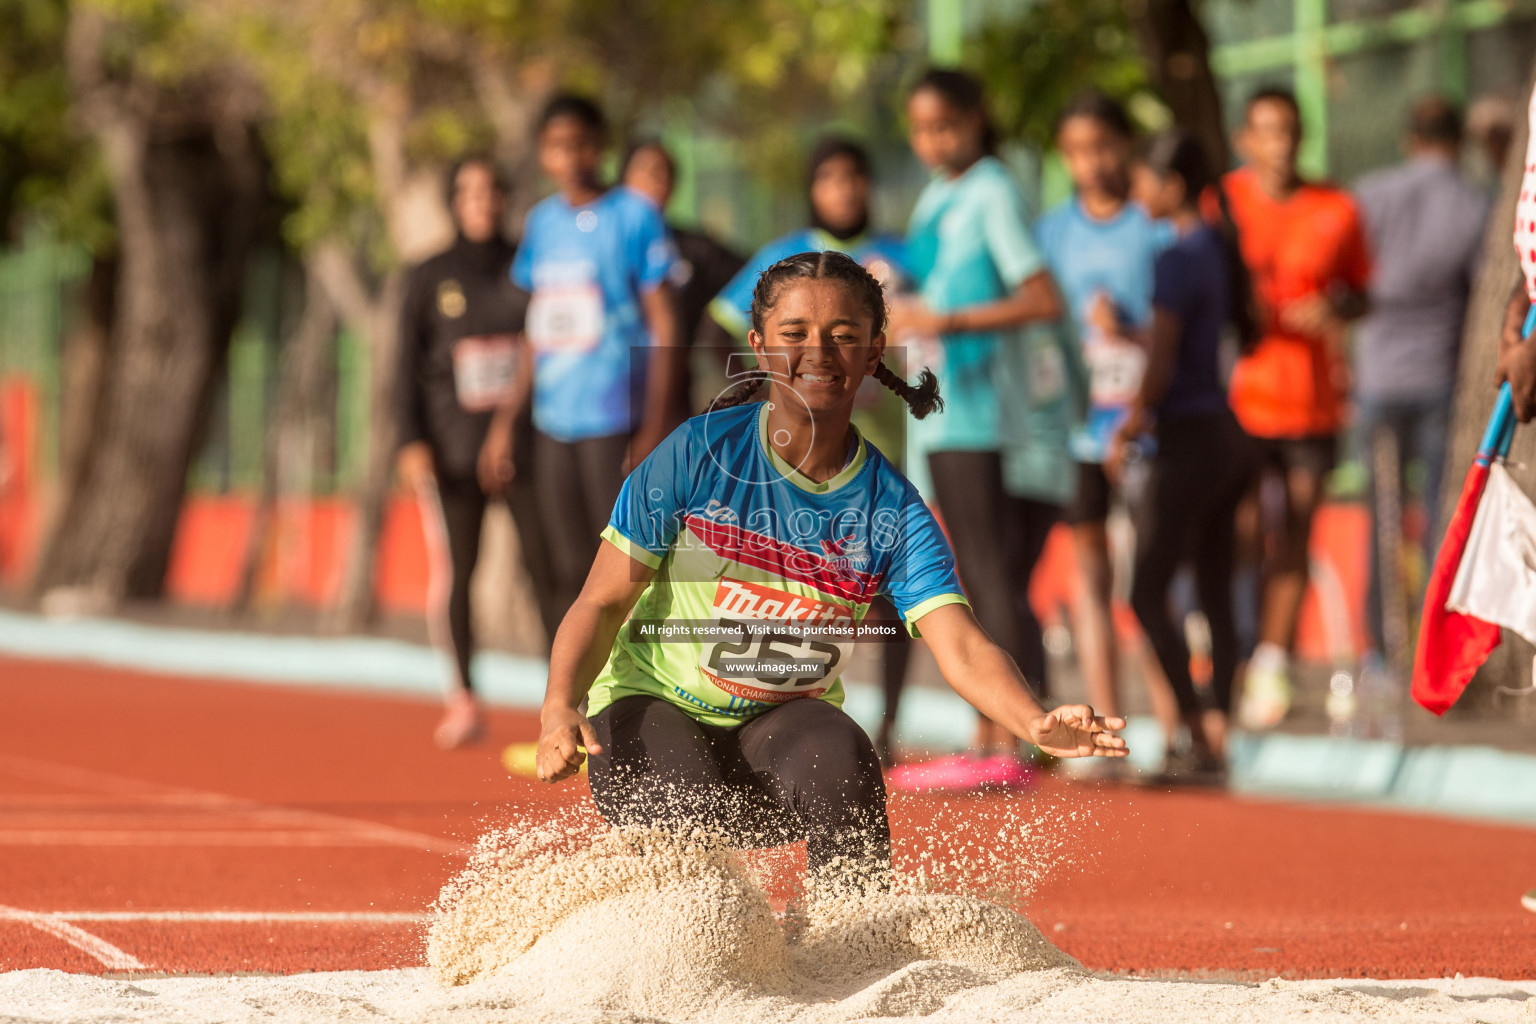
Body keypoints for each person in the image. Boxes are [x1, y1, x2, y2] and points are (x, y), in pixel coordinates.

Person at [533, 251, 1127, 885]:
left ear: (873, 355)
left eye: (844, 337)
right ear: (759, 348)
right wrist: (557, 707)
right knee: (691, 833)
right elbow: (600, 602)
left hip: (777, 740)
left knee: (843, 750)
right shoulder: (696, 454)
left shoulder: (892, 507)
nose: (818, 352)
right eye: (795, 335)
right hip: (649, 717)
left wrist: (1033, 720)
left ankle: (850, 943)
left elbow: (962, 645)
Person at [885, 68, 1073, 791]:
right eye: (921, 129)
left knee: (990, 575)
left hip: (982, 411)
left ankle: (1020, 736)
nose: (933, 142)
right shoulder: (938, 197)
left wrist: (947, 320)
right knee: (981, 572)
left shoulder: (993, 189)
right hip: (939, 411)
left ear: (974, 120)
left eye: (946, 127)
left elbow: (1041, 298)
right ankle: (1000, 733)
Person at [706, 135, 915, 764]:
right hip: (797, 457)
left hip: (883, 448)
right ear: (812, 188)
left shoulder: (902, 256)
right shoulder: (783, 255)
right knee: (798, 582)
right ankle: (778, 710)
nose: (844, 190)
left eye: (855, 177)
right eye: (830, 178)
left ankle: (888, 723)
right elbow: (724, 320)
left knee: (889, 593)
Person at [1034, 91, 1181, 755]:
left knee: (1148, 578)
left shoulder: (1153, 226)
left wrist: (1128, 329)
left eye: (1101, 147)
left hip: (1145, 429)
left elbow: (1180, 328)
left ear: (1124, 145)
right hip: (1076, 430)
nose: (1090, 163)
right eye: (1075, 153)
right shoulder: (1052, 233)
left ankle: (1177, 725)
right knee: (1089, 577)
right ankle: (1105, 730)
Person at [395, 157, 559, 749]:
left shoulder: (529, 269)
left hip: (526, 451)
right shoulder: (427, 275)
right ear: (453, 201)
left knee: (549, 573)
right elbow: (403, 368)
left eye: (493, 191)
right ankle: (462, 698)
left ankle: (560, 703)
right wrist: (410, 442)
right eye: (469, 192)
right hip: (452, 455)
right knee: (458, 575)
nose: (482, 202)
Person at [1222, 86, 1371, 730]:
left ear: (1300, 137)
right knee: (1245, 531)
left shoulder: (1336, 208)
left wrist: (1335, 307)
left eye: (1289, 131)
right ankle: (1233, 645)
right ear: (1245, 140)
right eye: (1266, 131)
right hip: (1241, 399)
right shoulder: (1222, 203)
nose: (1279, 144)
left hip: (1313, 402)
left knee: (1297, 533)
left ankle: (1271, 663)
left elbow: (1364, 293)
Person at [1113, 130, 1260, 780]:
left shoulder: (1176, 255)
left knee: (1146, 590)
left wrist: (1131, 421)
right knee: (1214, 588)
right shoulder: (1216, 247)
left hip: (1190, 437)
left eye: (1143, 177)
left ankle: (1194, 734)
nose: (1136, 188)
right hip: (1229, 435)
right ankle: (1217, 735)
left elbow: (1166, 354)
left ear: (1170, 184)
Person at [513, 94, 682, 626]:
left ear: (600, 146)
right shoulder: (541, 222)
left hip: (614, 417)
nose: (571, 157)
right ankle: (571, 697)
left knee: (619, 564)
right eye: (557, 146)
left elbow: (665, 324)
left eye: (581, 144)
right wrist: (507, 421)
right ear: (543, 153)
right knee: (564, 563)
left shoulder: (634, 214)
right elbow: (535, 327)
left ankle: (629, 696)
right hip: (553, 422)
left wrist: (653, 424)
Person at [1353, 97, 1489, 667]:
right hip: (1439, 379)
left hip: (1378, 376)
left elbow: (1347, 277)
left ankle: (1381, 649)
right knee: (1441, 513)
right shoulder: (1473, 205)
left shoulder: (1368, 195)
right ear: (1456, 142)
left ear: (1411, 138)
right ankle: (1434, 646)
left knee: (1383, 514)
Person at [621, 140, 747, 418]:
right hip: (613, 396)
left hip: (674, 397)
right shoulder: (603, 245)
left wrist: (749, 384)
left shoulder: (694, 248)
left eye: (666, 171)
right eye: (647, 169)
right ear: (623, 178)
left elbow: (755, 274)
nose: (658, 179)